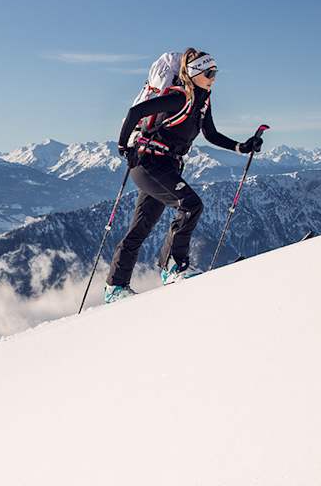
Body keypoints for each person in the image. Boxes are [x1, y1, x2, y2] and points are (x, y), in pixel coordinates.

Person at [103, 48, 263, 303]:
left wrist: (240, 147)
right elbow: (136, 113)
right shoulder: (179, 98)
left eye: (215, 72)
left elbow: (210, 134)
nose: (214, 77)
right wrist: (124, 148)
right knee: (191, 206)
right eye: (209, 72)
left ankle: (115, 287)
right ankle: (173, 268)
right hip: (148, 164)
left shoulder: (203, 100)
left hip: (168, 165)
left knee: (142, 226)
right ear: (195, 73)